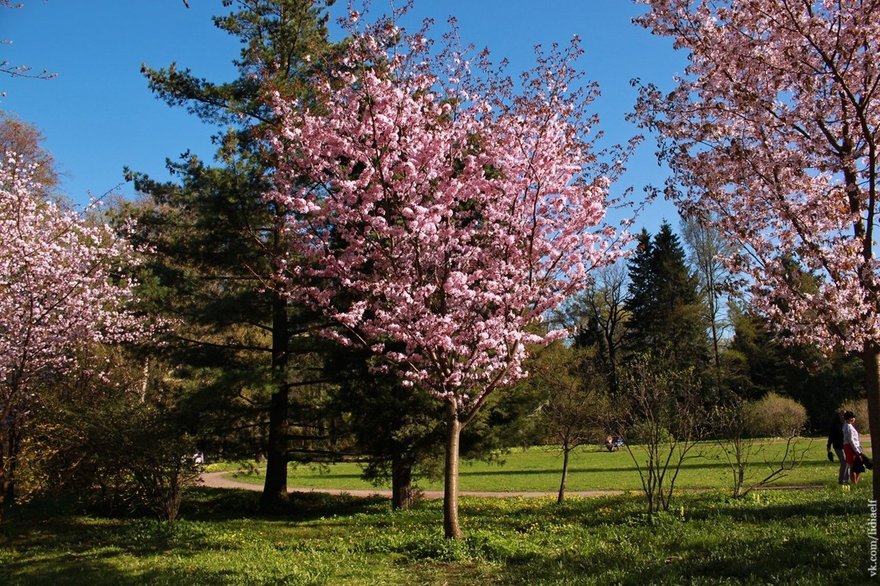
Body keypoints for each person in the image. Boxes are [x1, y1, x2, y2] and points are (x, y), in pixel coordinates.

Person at [827, 410, 849, 485]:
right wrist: (828, 447)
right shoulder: (835, 425)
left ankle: (846, 480)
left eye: (844, 415)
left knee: (847, 462)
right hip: (838, 446)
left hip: (846, 446)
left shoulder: (847, 424)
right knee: (844, 461)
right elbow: (831, 436)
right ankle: (841, 480)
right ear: (839, 416)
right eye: (841, 415)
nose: (843, 416)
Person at [842, 411, 865, 485]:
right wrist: (856, 450)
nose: (854, 419)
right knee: (853, 466)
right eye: (853, 417)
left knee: (858, 465)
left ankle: (855, 482)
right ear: (849, 418)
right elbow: (851, 440)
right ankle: (854, 483)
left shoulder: (849, 425)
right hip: (850, 447)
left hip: (853, 447)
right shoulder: (848, 427)